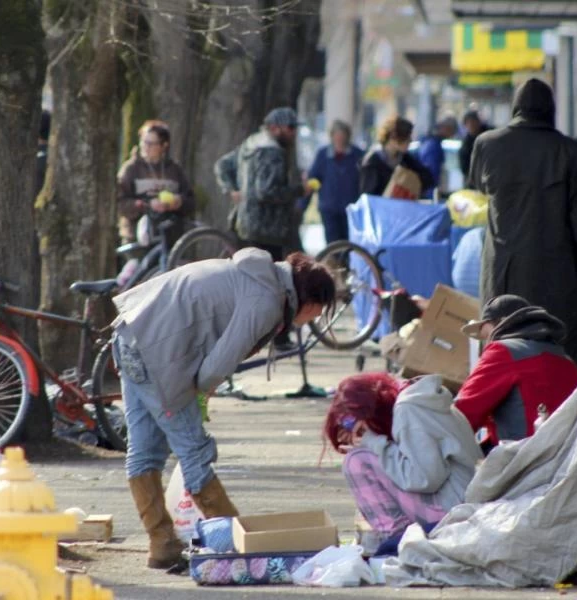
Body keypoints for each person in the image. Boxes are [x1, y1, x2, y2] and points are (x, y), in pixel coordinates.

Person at [112, 248, 336, 569]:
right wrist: (201, 391)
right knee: (194, 450)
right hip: (158, 352)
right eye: (318, 313)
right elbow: (219, 364)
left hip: (132, 331)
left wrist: (201, 388)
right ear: (312, 303)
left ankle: (162, 545)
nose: (313, 319)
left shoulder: (261, 276)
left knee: (144, 450)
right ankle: (236, 544)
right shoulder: (267, 301)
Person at [468, 78, 577, 376]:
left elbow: (478, 187)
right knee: (556, 348)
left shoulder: (486, 145)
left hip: (502, 270)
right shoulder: (570, 152)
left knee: (505, 344)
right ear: (550, 109)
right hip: (556, 270)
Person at [323, 373, 482, 540]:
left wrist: (374, 442)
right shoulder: (420, 402)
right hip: (464, 503)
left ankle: (397, 542)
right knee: (369, 457)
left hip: (454, 513)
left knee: (357, 461)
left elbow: (424, 479)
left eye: (350, 423)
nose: (355, 431)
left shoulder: (408, 409)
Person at [216, 107, 313, 350]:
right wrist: (300, 190)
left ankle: (246, 337)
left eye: (294, 128)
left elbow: (222, 165)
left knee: (249, 283)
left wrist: (232, 190)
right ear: (274, 128)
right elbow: (266, 191)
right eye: (289, 128)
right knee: (277, 284)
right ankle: (278, 339)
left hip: (244, 224)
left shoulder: (250, 145)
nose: (293, 133)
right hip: (268, 229)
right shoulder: (273, 152)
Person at [457, 295, 577, 453]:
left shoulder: (503, 351)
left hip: (520, 462)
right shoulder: (566, 360)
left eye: (485, 335)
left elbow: (464, 413)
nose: (487, 342)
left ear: (498, 324)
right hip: (567, 458)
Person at [117, 119, 196, 245]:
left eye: (150, 143)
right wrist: (146, 205)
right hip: (136, 240)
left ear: (164, 145)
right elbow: (119, 204)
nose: (145, 146)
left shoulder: (175, 170)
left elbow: (191, 201)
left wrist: (178, 202)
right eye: (143, 141)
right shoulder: (131, 169)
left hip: (171, 239)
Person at [306, 120, 365, 243]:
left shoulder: (357, 155)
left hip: (351, 208)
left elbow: (364, 180)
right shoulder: (323, 155)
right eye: (337, 136)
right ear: (332, 136)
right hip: (329, 208)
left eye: (342, 136)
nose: (339, 139)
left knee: (349, 243)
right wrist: (304, 201)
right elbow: (314, 178)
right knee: (332, 244)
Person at [359, 116, 434, 199]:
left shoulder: (405, 159)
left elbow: (428, 179)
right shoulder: (372, 161)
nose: (410, 141)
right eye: (406, 137)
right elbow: (368, 196)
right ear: (393, 138)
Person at [413, 115, 457, 199]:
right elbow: (432, 172)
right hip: (428, 192)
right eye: (451, 130)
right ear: (445, 128)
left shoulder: (428, 142)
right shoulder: (433, 146)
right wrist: (432, 195)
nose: (451, 135)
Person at [458, 110, 491, 181]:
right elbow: (464, 165)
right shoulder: (466, 142)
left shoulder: (489, 135)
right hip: (474, 180)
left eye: (473, 122)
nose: (471, 125)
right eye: (468, 123)